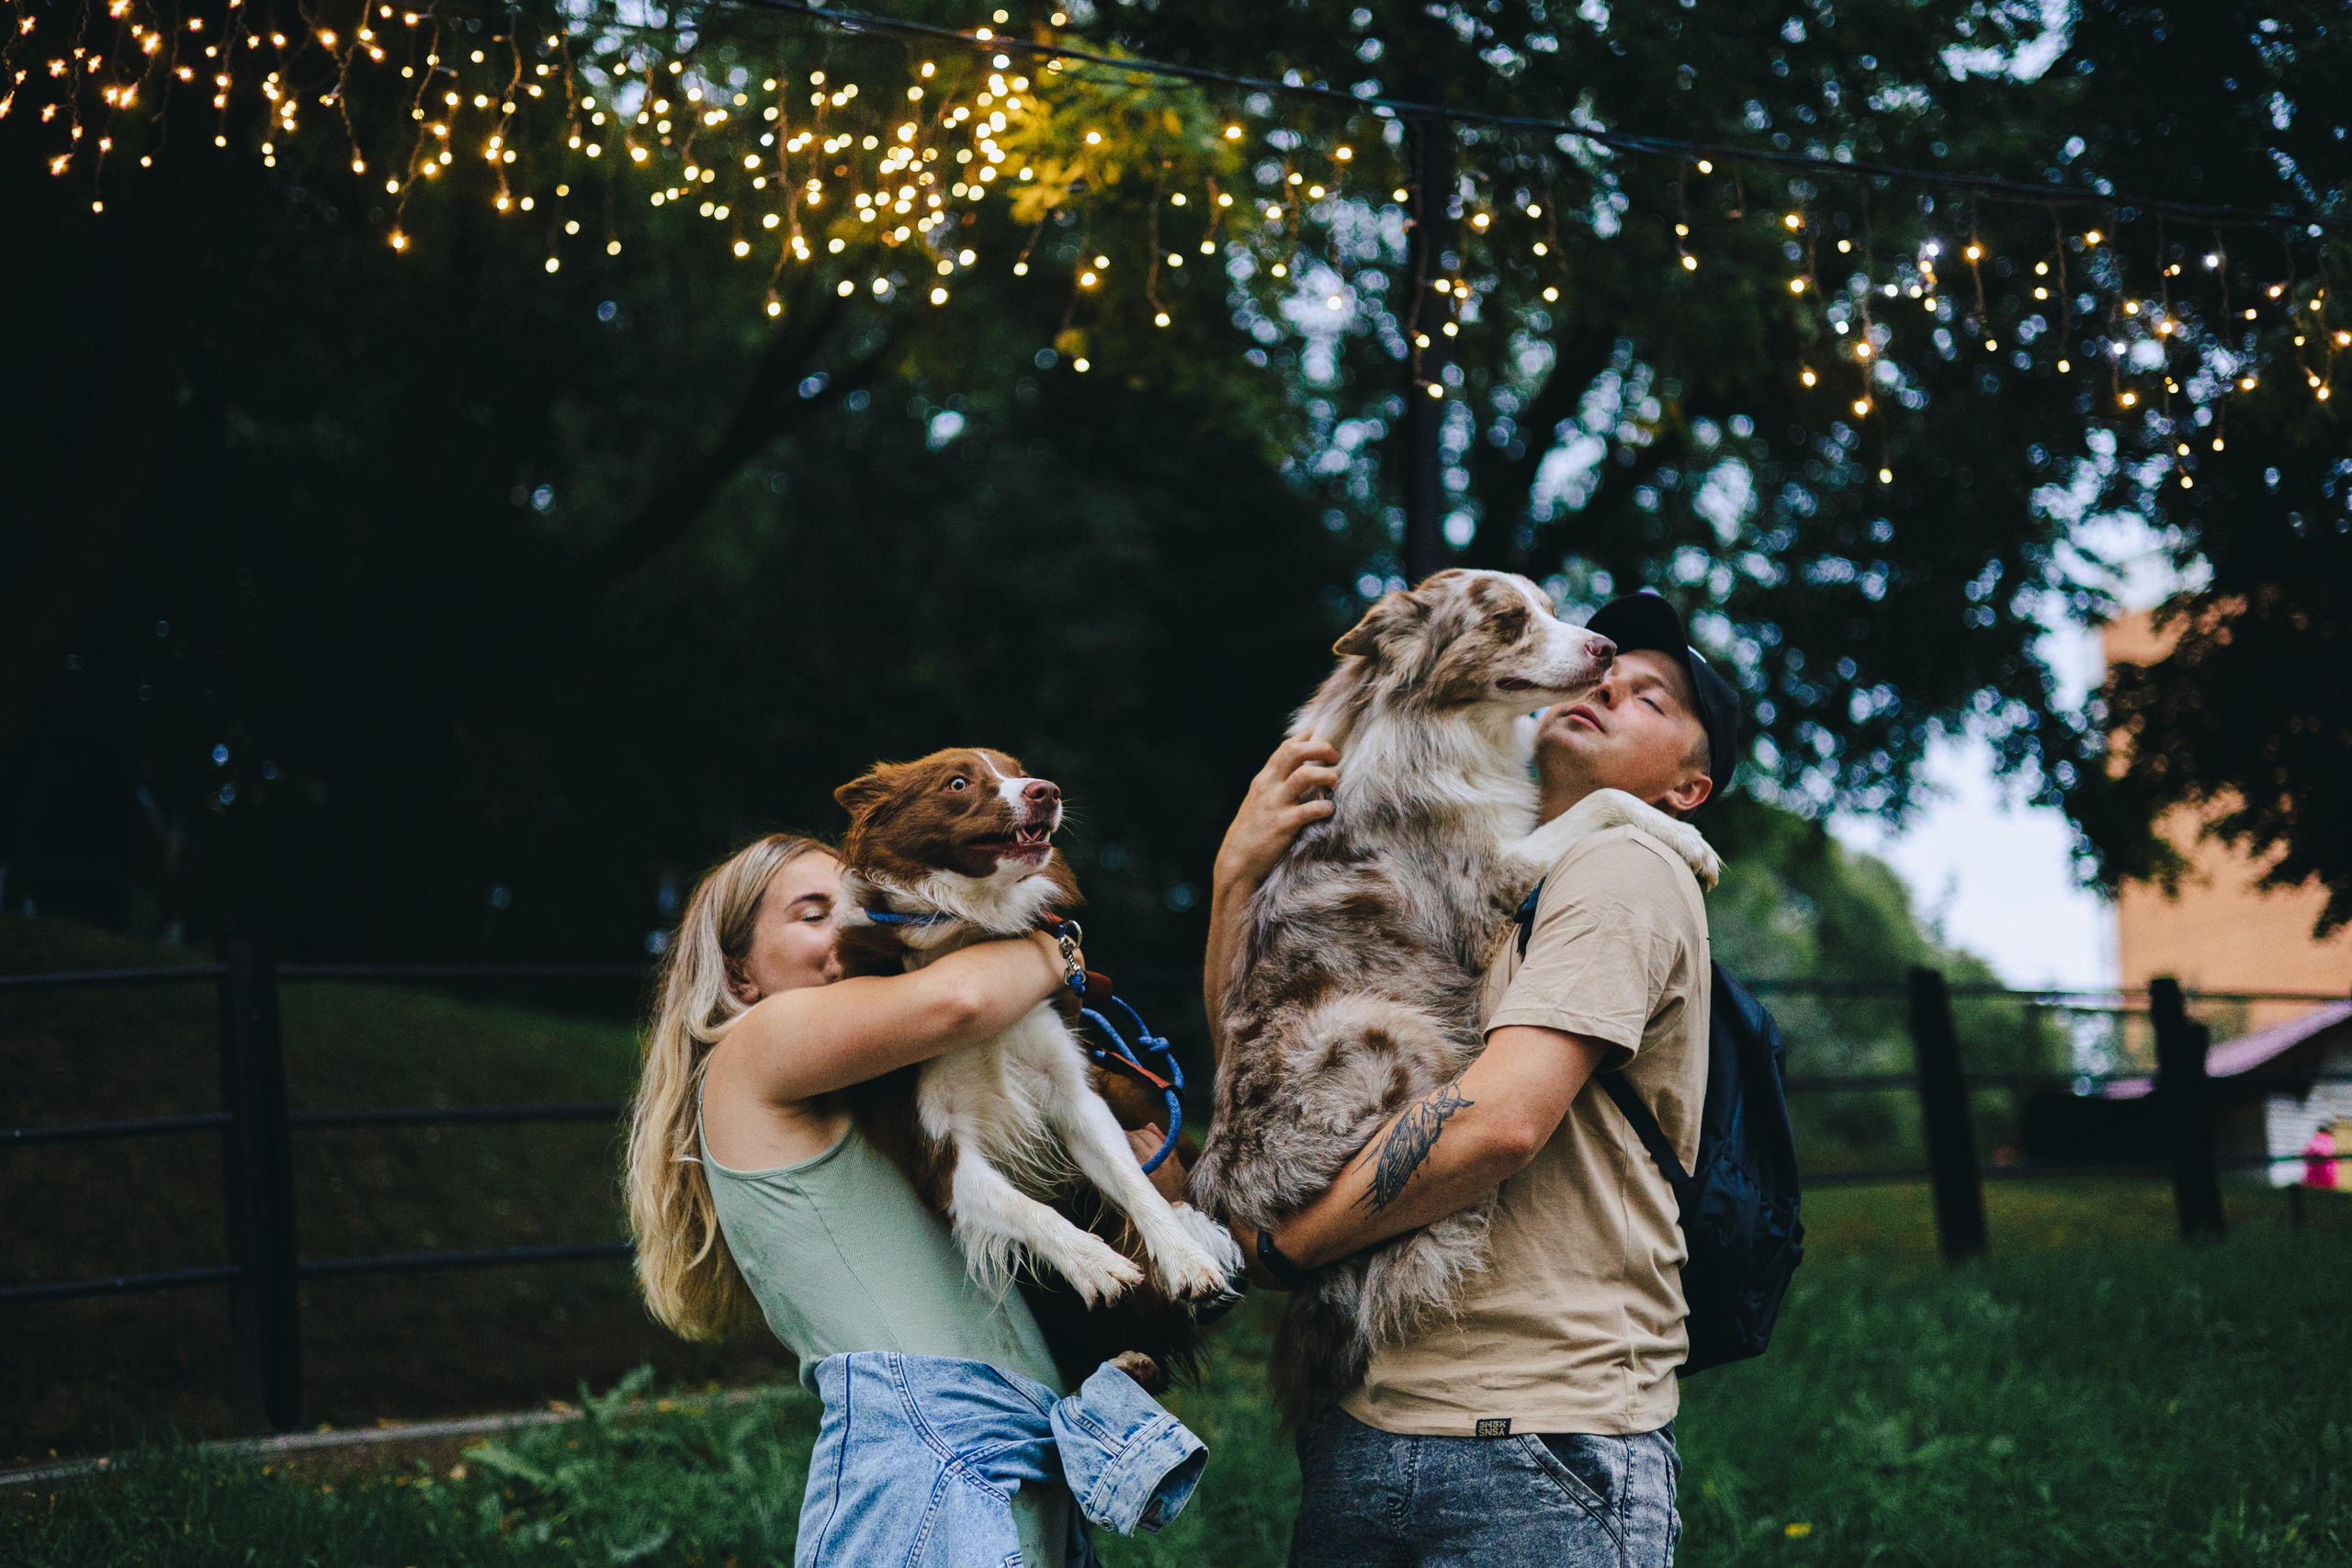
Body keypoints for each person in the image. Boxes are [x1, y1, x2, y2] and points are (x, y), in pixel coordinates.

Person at [1204, 591, 1742, 1568]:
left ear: (1687, 790)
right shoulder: (1440, 868)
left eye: (1653, 699)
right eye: (1610, 673)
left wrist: (1278, 1251)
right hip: (1378, 1415)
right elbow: (1258, 1064)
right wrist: (1234, 878)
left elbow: (1498, 1121)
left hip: (1536, 1444)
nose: (1610, 685)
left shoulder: (1623, 864)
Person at [623, 831, 1189, 1568]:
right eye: (812, 913)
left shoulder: (893, 1112)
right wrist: (1059, 950)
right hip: (929, 1476)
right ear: (740, 974)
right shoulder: (755, 1046)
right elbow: (959, 998)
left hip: (1005, 1474)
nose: (850, 928)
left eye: (858, 906)